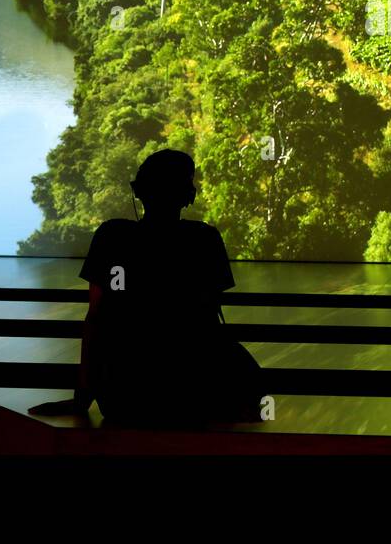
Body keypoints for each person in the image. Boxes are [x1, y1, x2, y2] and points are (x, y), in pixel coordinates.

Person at [28, 149, 263, 427]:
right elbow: (208, 322)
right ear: (188, 195)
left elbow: (96, 318)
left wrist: (82, 398)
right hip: (197, 392)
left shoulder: (112, 236)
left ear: (139, 191)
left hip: (126, 395)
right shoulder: (205, 239)